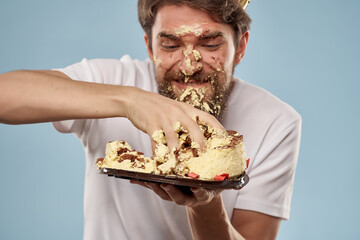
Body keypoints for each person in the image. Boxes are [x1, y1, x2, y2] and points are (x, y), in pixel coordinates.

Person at [0, 0, 301, 239]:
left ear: (241, 47)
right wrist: (131, 101)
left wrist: (205, 203)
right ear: (149, 46)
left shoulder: (277, 121)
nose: (189, 66)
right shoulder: (112, 79)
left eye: (210, 45)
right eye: (170, 45)